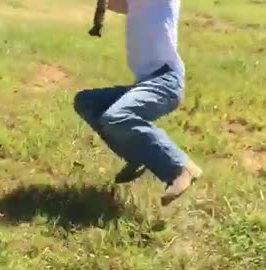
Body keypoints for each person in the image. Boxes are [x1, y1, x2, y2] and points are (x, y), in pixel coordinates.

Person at [73, 0, 202, 206]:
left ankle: (180, 167)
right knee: (87, 102)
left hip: (166, 80)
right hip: (145, 82)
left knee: (117, 117)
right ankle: (136, 154)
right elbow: (116, 4)